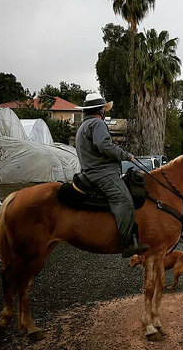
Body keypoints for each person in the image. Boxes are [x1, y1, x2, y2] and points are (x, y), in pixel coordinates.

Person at [75, 93, 148, 257]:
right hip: (102, 173)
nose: (104, 112)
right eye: (104, 109)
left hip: (89, 171)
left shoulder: (83, 126)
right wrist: (125, 155)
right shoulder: (97, 124)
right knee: (125, 201)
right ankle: (127, 243)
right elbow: (104, 145)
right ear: (101, 110)